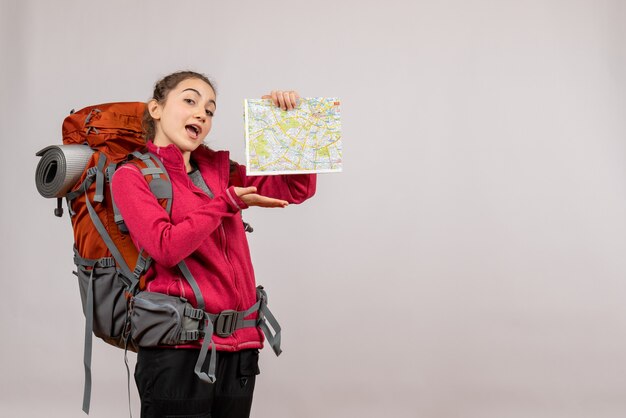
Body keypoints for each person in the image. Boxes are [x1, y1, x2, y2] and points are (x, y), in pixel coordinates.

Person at [111, 70, 316, 418]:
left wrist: (287, 124)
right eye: (189, 100)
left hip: (240, 347)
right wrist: (227, 202)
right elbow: (165, 246)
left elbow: (295, 190)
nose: (201, 114)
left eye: (209, 109)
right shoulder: (131, 176)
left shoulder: (221, 171)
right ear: (156, 109)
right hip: (178, 350)